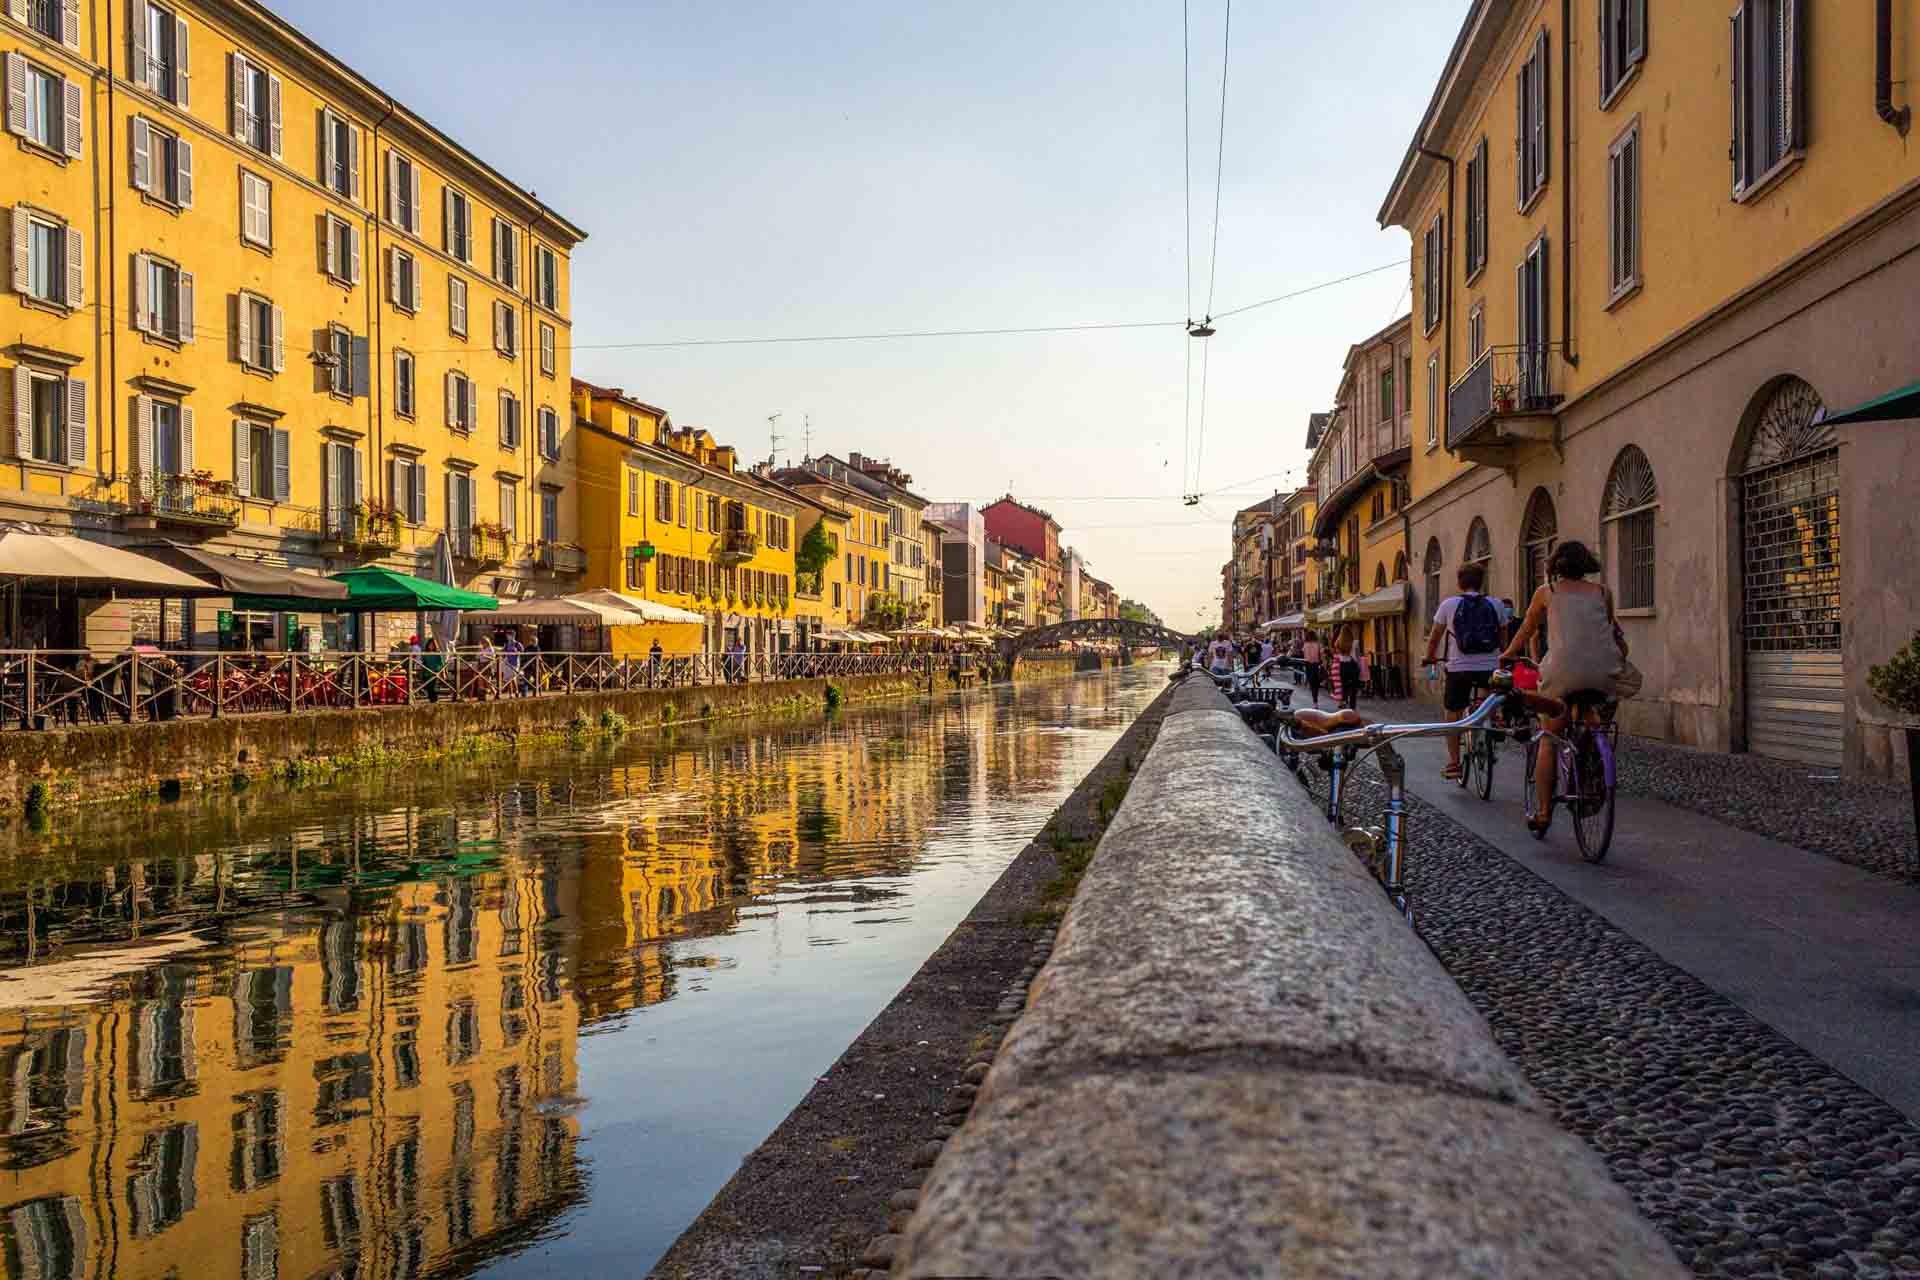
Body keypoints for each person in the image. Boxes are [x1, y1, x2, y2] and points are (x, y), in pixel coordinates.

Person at [1501, 540, 1628, 834]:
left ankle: (1544, 813)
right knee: (1593, 717)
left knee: (1549, 736)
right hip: (1603, 671)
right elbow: (1606, 630)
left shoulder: (1547, 592)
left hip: (1562, 673)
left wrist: (1508, 654)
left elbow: (1527, 629)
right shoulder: (1603, 593)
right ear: (1586, 564)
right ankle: (1593, 758)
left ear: (1555, 565)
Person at [1423, 564, 1512, 780]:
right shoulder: (1496, 604)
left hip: (1459, 669)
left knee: (1452, 713)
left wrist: (1429, 656)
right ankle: (1493, 717)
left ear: (1459, 582)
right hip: (1489, 667)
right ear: (1482, 582)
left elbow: (1435, 636)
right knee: (1487, 693)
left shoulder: (1449, 604)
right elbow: (1503, 638)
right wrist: (1503, 658)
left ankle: (1454, 763)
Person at [1301, 631, 1324, 706]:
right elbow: (1322, 654)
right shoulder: (1318, 644)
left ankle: (1315, 701)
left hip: (1308, 665)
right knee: (1315, 684)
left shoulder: (1305, 644)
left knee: (1312, 683)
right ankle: (1315, 701)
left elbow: (1303, 654)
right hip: (1316, 665)